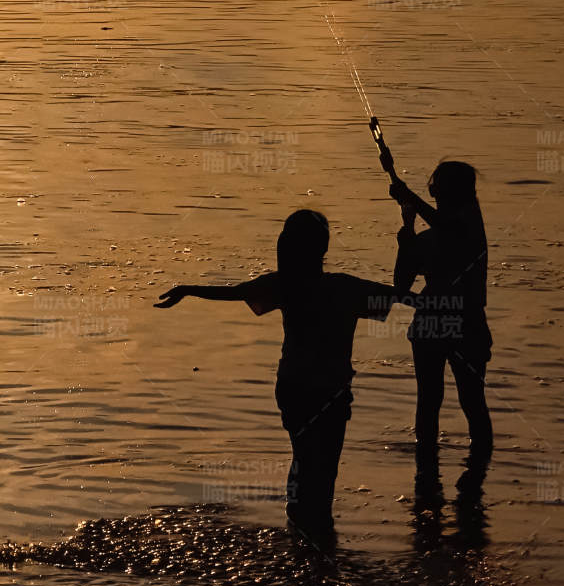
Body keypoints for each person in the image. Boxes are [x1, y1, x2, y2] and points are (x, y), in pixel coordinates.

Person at [156, 209, 417, 545]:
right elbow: (405, 297)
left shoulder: (282, 285)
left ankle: (301, 529)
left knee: (304, 456)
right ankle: (314, 536)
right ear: (323, 249)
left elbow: (233, 292)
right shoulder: (346, 288)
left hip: (293, 387)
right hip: (330, 392)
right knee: (323, 466)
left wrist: (188, 289)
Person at [388, 162, 493, 459]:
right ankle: (469, 477)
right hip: (461, 323)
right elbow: (401, 283)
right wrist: (407, 227)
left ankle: (429, 474)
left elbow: (446, 227)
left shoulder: (467, 224)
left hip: (443, 323)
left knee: (443, 402)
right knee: (457, 402)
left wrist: (409, 200)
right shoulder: (448, 232)